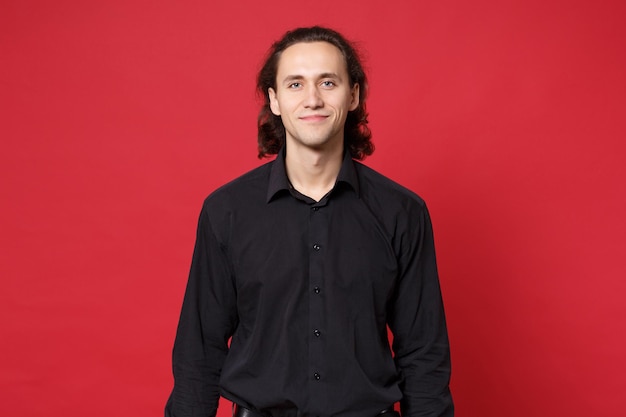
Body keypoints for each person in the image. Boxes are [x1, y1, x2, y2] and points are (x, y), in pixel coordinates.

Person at [165, 26, 453, 417]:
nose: (313, 99)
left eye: (328, 82)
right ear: (275, 100)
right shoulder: (226, 211)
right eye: (296, 84)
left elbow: (424, 354)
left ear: (353, 96)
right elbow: (199, 353)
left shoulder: (402, 212)